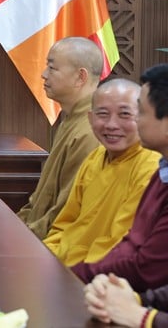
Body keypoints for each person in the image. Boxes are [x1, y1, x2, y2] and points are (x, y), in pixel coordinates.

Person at [43, 78, 160, 266]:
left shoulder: (150, 167)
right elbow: (64, 224)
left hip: (101, 276)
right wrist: (42, 258)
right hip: (63, 267)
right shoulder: (95, 158)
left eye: (124, 114)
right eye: (103, 114)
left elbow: (122, 244)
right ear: (90, 118)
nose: (112, 125)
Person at [72, 64, 168, 292]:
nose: (137, 122)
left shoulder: (148, 166)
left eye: (139, 113)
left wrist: (71, 277)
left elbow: (146, 267)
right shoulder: (162, 173)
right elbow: (132, 243)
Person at [17, 37, 103, 239]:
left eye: (52, 68)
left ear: (80, 77)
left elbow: (66, 212)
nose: (43, 74)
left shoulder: (91, 131)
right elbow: (40, 201)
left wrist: (22, 237)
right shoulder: (70, 120)